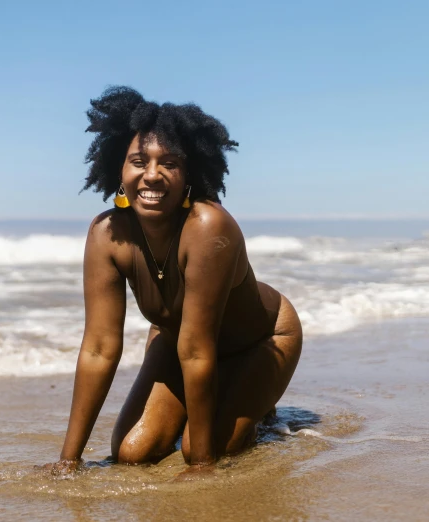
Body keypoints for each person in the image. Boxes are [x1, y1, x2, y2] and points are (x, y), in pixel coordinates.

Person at [50, 87, 303, 478]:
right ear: (119, 167)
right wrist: (69, 461)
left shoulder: (208, 226)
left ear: (189, 174)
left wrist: (201, 465)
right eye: (139, 161)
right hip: (178, 342)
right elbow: (100, 348)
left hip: (261, 341)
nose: (152, 174)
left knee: (210, 449)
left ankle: (258, 407)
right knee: (132, 452)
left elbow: (198, 350)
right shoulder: (106, 234)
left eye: (169, 163)